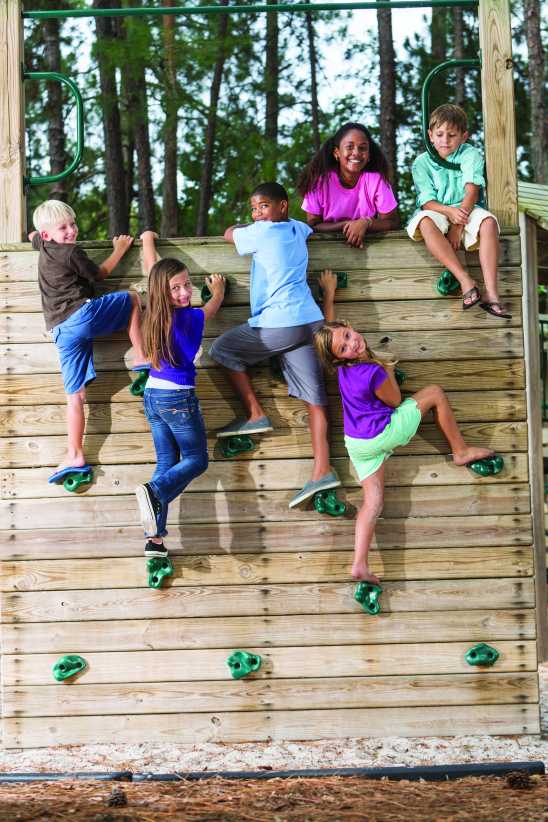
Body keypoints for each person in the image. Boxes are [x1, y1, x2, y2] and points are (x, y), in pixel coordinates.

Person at [314, 271, 496, 583]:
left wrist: (329, 296)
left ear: (348, 327)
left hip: (356, 443)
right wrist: (385, 368)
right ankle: (460, 451)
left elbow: (329, 332)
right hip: (382, 433)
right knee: (435, 393)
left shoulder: (342, 369)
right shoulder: (373, 371)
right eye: (344, 347)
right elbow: (396, 402)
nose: (351, 344)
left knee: (373, 501)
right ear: (340, 359)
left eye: (347, 336)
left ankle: (359, 563)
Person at [209, 181, 340, 509]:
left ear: (283, 206)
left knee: (222, 350)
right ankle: (322, 468)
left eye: (263, 206)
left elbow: (228, 233)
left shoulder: (262, 232)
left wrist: (248, 225)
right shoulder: (297, 228)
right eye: (253, 209)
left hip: (279, 323)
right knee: (316, 399)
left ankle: (255, 413)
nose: (257, 214)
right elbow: (308, 228)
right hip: (309, 321)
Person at [29, 199, 147, 479]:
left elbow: (33, 236)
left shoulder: (44, 244)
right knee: (132, 299)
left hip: (59, 331)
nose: (71, 231)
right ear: (49, 235)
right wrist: (119, 249)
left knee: (76, 396)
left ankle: (74, 454)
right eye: (63, 227)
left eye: (72, 224)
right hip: (80, 316)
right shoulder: (71, 253)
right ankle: (142, 356)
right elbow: (99, 275)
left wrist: (37, 233)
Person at [134, 231, 226, 557]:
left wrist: (147, 242)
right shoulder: (187, 318)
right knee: (197, 460)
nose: (186, 291)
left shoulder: (155, 315)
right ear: (164, 291)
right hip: (177, 399)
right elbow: (211, 310)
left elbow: (152, 270)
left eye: (187, 284)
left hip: (153, 395)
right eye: (177, 288)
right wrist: (218, 291)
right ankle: (154, 491)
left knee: (166, 461)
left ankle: (154, 538)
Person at [407, 103, 510, 318]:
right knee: (424, 221)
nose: (445, 140)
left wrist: (457, 226)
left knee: (489, 223)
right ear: (430, 135)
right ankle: (465, 280)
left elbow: (472, 189)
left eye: (452, 135)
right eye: (440, 134)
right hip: (439, 209)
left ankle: (492, 294)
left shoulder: (470, 154)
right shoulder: (422, 162)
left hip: (467, 207)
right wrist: (448, 213)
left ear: (464, 136)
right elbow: (427, 201)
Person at [297, 122, 399, 248]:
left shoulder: (376, 180)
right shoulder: (319, 182)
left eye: (362, 148)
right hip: (325, 249)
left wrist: (366, 222)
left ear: (369, 155)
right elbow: (313, 225)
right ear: (337, 153)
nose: (356, 153)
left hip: (368, 248)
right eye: (349, 147)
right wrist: (349, 224)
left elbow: (392, 222)